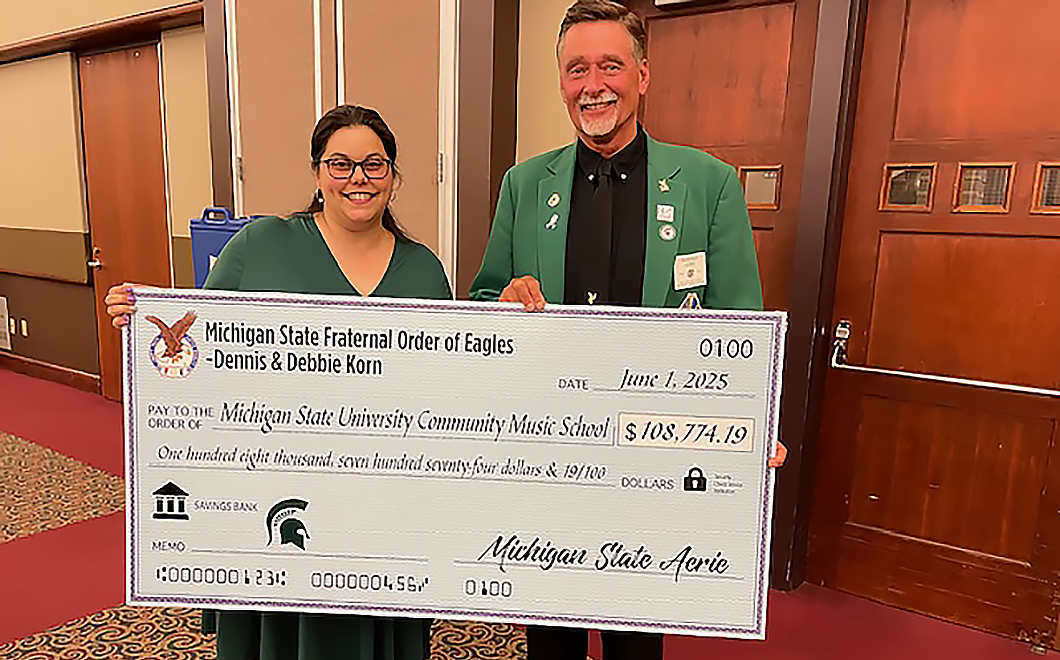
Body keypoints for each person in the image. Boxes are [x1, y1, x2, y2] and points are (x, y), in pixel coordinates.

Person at [469, 2, 786, 659]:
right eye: (576, 69)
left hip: (654, 454)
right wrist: (505, 300)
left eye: (610, 66)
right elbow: (481, 300)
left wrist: (752, 422)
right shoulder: (525, 185)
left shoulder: (708, 183)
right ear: (561, 82)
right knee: (548, 632)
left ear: (642, 75)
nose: (594, 84)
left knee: (635, 634)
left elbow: (739, 324)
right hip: (550, 452)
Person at [105, 105, 450, 660]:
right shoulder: (261, 245)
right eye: (339, 164)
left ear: (394, 176)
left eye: (373, 164)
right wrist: (139, 315)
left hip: (381, 505)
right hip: (273, 490)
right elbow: (196, 339)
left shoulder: (425, 270)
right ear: (316, 174)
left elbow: (447, 388)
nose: (357, 178)